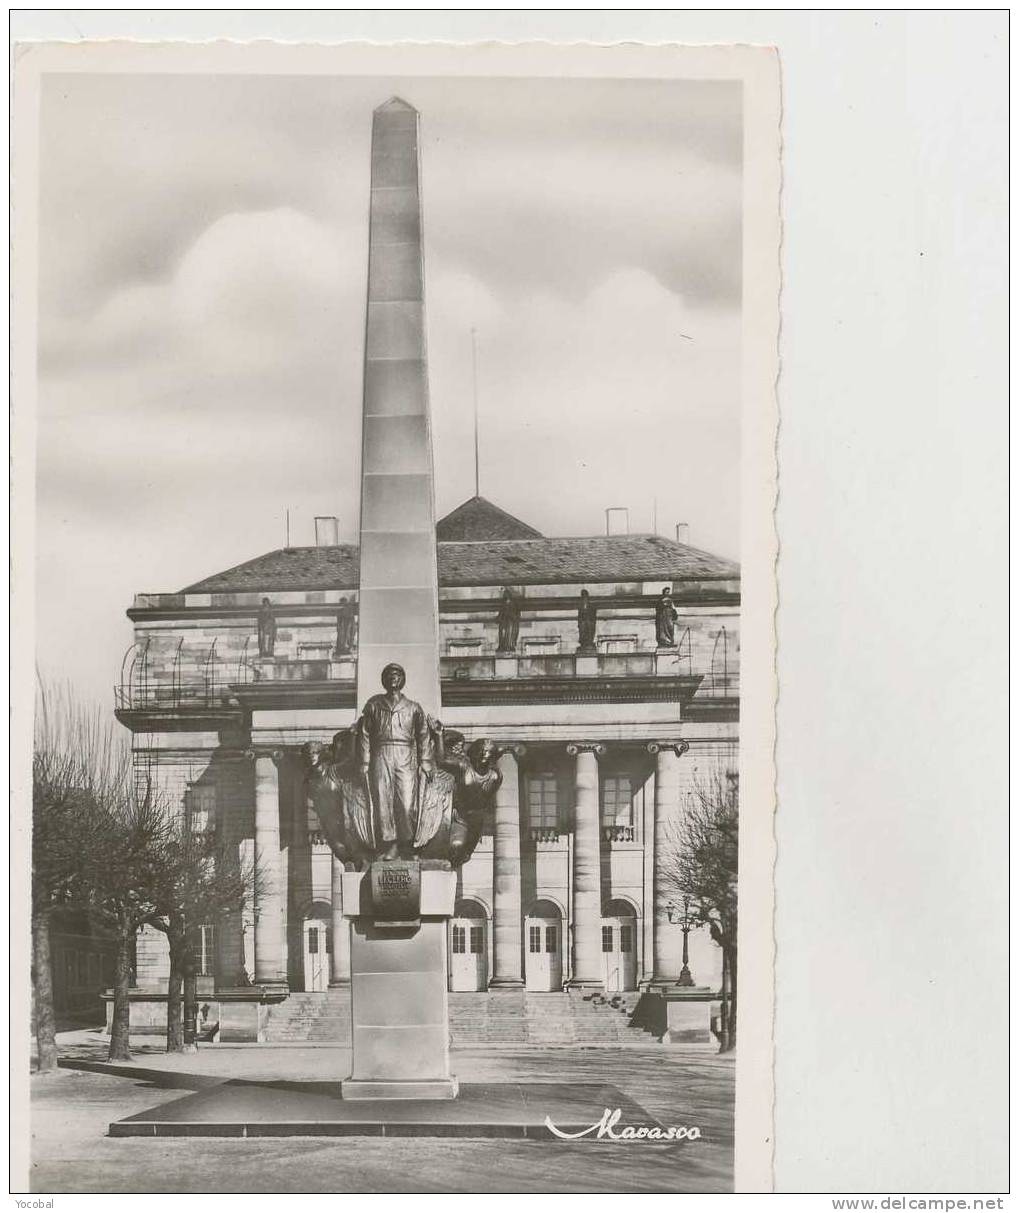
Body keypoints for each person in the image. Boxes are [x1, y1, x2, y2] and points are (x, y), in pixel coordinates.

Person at [356, 664, 434, 860]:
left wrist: (425, 761)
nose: (393, 678)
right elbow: (364, 734)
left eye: (397, 674)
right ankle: (390, 845)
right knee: (384, 801)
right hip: (381, 754)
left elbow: (423, 734)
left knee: (407, 802)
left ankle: (407, 844)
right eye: (389, 675)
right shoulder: (374, 705)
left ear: (402, 679)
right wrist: (365, 761)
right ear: (384, 680)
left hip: (405, 754)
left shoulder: (414, 707)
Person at [497, 587, 520, 652]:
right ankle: (502, 646)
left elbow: (517, 615)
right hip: (504, 622)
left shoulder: (514, 604)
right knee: (502, 633)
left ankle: (510, 646)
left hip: (510, 622)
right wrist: (498, 618)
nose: (505, 596)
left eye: (506, 594)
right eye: (504, 595)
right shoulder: (503, 605)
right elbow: (500, 614)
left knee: (509, 635)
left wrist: (510, 615)